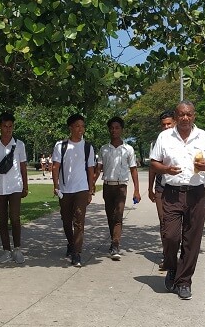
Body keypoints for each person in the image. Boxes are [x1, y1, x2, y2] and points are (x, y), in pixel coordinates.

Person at [149, 101, 205, 300]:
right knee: (170, 236)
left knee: (192, 240)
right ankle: (172, 267)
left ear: (194, 116)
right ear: (176, 117)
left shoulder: (202, 136)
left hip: (196, 194)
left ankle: (184, 281)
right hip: (171, 193)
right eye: (181, 115)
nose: (185, 118)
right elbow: (154, 163)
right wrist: (165, 170)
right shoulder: (165, 136)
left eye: (189, 114)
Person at [0, 111, 29, 264]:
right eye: (5, 126)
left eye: (11, 126)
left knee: (15, 218)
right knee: (2, 220)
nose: (8, 129)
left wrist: (25, 185)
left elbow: (23, 167)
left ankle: (17, 249)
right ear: (0, 127)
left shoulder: (20, 145)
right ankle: (6, 250)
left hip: (15, 186)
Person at [93, 116, 141, 260]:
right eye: (112, 128)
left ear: (121, 130)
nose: (114, 130)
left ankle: (115, 245)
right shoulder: (104, 149)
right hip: (108, 187)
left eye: (117, 128)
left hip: (121, 187)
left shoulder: (128, 149)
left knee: (118, 215)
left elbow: (133, 170)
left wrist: (137, 190)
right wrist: (92, 185)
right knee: (110, 216)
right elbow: (98, 168)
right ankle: (113, 240)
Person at [51, 113, 96, 268]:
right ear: (70, 127)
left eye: (82, 126)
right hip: (65, 189)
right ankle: (71, 243)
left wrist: (90, 189)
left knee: (79, 221)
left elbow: (91, 170)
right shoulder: (61, 146)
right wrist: (56, 185)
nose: (80, 129)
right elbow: (55, 167)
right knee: (66, 220)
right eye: (77, 126)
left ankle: (77, 253)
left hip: (81, 188)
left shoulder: (87, 147)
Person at [147, 110, 175, 270]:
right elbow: (152, 167)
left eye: (169, 124)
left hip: (179, 189)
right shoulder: (158, 142)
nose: (166, 127)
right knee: (164, 223)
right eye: (163, 125)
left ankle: (179, 255)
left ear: (175, 123)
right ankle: (168, 257)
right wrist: (150, 189)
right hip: (161, 188)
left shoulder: (183, 141)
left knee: (179, 225)